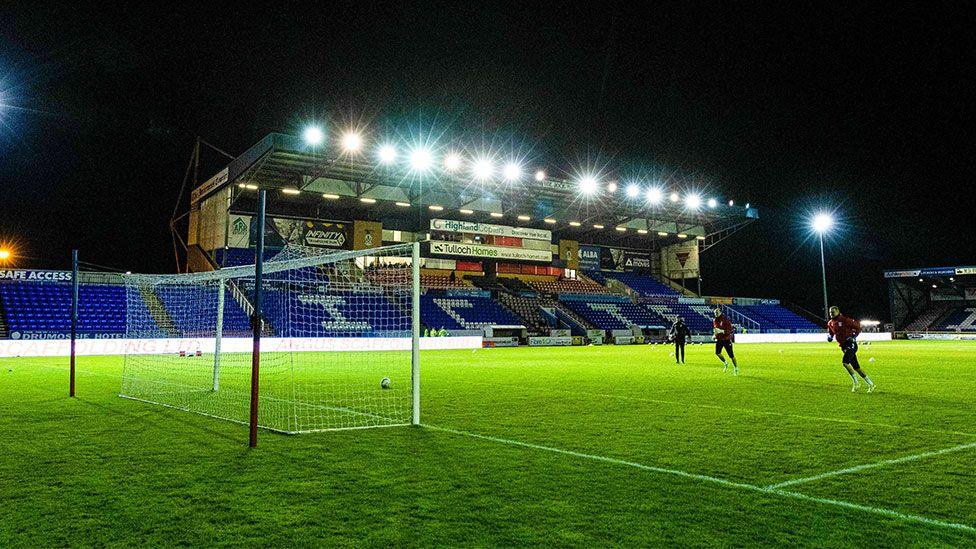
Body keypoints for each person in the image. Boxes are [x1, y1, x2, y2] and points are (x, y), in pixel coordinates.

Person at [827, 306, 876, 392]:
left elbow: (858, 327)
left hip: (851, 344)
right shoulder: (830, 323)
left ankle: (856, 383)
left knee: (845, 362)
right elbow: (831, 333)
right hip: (843, 346)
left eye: (833, 312)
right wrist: (830, 337)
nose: (831, 314)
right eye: (830, 312)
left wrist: (854, 336)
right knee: (857, 368)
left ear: (838, 311)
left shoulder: (845, 320)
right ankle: (871, 384)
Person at [712, 308, 739, 375]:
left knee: (731, 356)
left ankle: (736, 368)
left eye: (717, 312)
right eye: (715, 313)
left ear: (720, 312)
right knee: (717, 353)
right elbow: (716, 329)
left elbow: (730, 331)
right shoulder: (715, 320)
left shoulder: (725, 320)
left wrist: (721, 331)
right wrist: (714, 335)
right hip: (719, 340)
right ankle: (726, 363)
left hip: (726, 340)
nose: (715, 314)